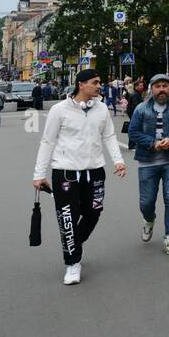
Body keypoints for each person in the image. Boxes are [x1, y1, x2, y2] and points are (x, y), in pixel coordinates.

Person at [32, 69, 127, 286]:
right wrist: (39, 174)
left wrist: (118, 160)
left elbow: (109, 136)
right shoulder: (59, 110)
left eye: (99, 82)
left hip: (95, 172)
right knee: (68, 217)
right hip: (65, 172)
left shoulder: (102, 108)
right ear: (81, 84)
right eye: (95, 82)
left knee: (94, 212)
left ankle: (74, 242)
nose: (99, 86)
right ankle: (72, 263)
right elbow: (47, 141)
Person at [129, 74, 169, 255]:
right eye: (158, 86)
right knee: (146, 202)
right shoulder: (141, 109)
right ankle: (149, 220)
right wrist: (151, 142)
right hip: (147, 161)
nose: (162, 89)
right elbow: (133, 132)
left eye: (165, 86)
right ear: (151, 89)